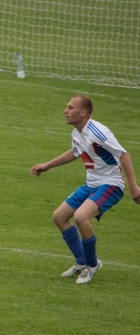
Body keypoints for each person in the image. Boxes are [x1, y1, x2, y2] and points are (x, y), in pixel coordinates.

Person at [31, 95, 140, 284]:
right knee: (59, 217)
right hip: (91, 185)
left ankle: (92, 265)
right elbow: (75, 152)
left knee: (81, 217)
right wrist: (47, 165)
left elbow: (124, 154)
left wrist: (133, 186)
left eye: (70, 107)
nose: (65, 111)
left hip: (111, 184)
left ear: (83, 112)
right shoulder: (77, 133)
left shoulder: (98, 131)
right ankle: (82, 262)